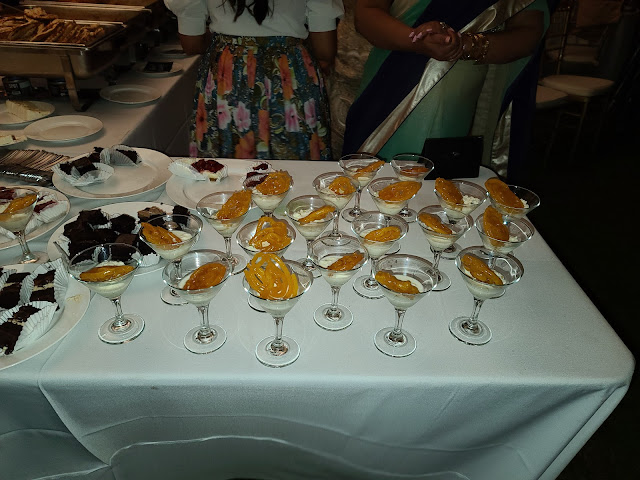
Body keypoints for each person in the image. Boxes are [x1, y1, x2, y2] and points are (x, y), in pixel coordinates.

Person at [342, 0, 555, 179]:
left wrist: (466, 44)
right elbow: (366, 13)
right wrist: (416, 39)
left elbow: (528, 31)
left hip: (457, 92)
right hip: (390, 76)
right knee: (367, 175)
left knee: (437, 185)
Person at [164, 0, 344, 160]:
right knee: (296, 166)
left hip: (228, 76)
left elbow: (192, 43)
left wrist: (227, 40)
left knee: (227, 168)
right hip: (289, 75)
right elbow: (324, 50)